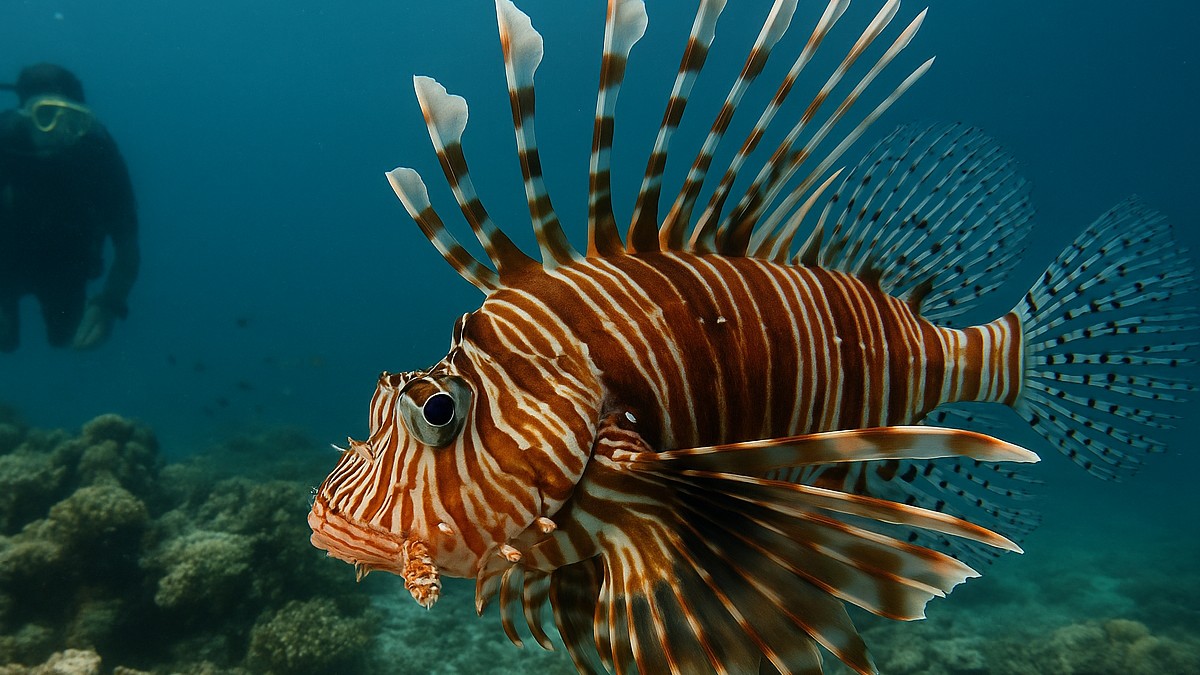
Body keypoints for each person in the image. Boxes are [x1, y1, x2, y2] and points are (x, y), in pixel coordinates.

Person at [0, 63, 139, 352]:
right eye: (47, 116)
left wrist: (110, 304)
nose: (60, 133)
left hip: (66, 266)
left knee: (64, 337)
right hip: (4, 261)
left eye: (74, 121)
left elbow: (128, 246)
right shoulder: (5, 141)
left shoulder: (99, 156)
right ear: (25, 114)